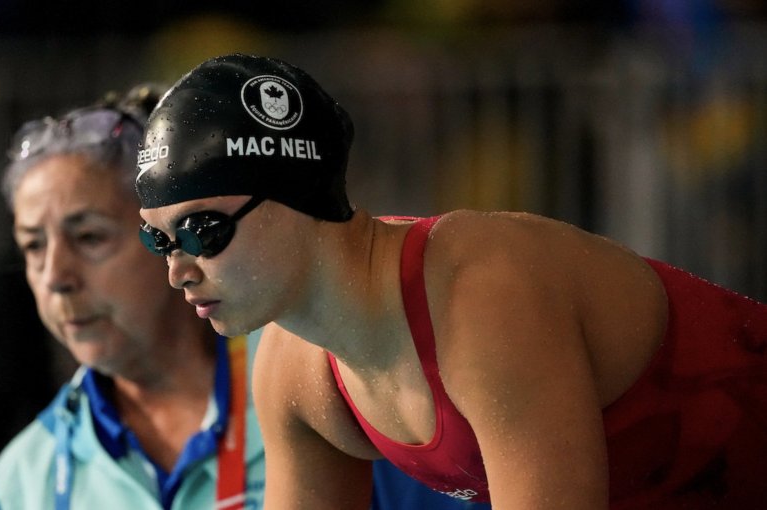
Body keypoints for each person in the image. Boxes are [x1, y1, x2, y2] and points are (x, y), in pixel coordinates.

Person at [134, 54, 767, 509]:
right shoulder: (294, 371)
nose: (177, 268)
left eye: (202, 230)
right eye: (158, 239)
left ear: (292, 197)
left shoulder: (480, 296)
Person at [0, 83, 472, 510]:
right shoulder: (26, 477)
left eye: (90, 238)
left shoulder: (325, 376)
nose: (55, 276)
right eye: (33, 245)